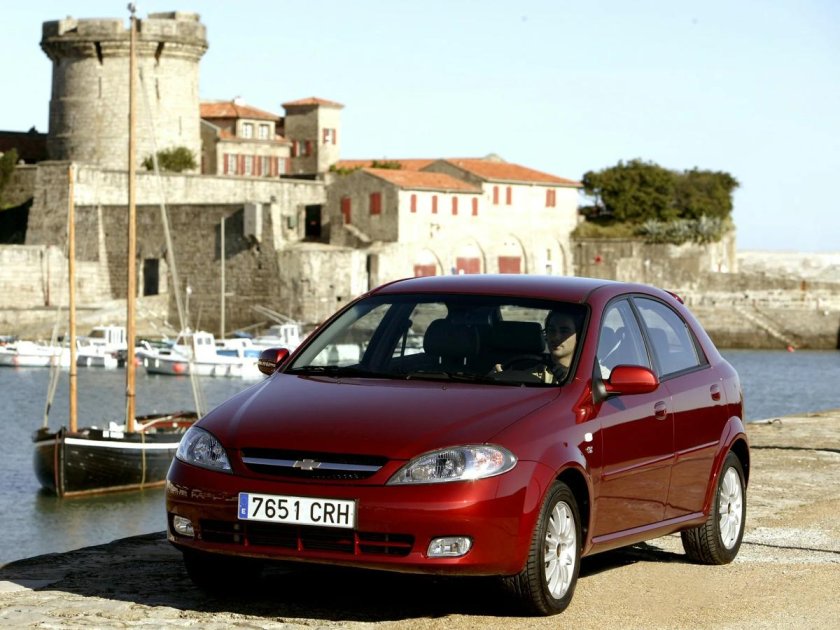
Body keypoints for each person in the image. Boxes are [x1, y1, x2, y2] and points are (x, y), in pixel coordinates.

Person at [534, 310, 580, 383]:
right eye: (551, 330)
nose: (556, 337)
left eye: (564, 331)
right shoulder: (529, 371)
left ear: (578, 336)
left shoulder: (590, 374)